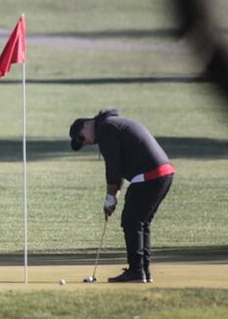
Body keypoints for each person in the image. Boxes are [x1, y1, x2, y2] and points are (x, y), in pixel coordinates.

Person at [69, 109, 175, 283]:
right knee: (140, 222)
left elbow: (113, 169)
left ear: (87, 124)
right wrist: (113, 198)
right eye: (81, 144)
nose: (86, 143)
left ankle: (137, 271)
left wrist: (110, 198)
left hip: (151, 175)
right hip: (162, 174)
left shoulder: (105, 128)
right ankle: (142, 271)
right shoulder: (113, 125)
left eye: (81, 138)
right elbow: (118, 172)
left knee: (132, 221)